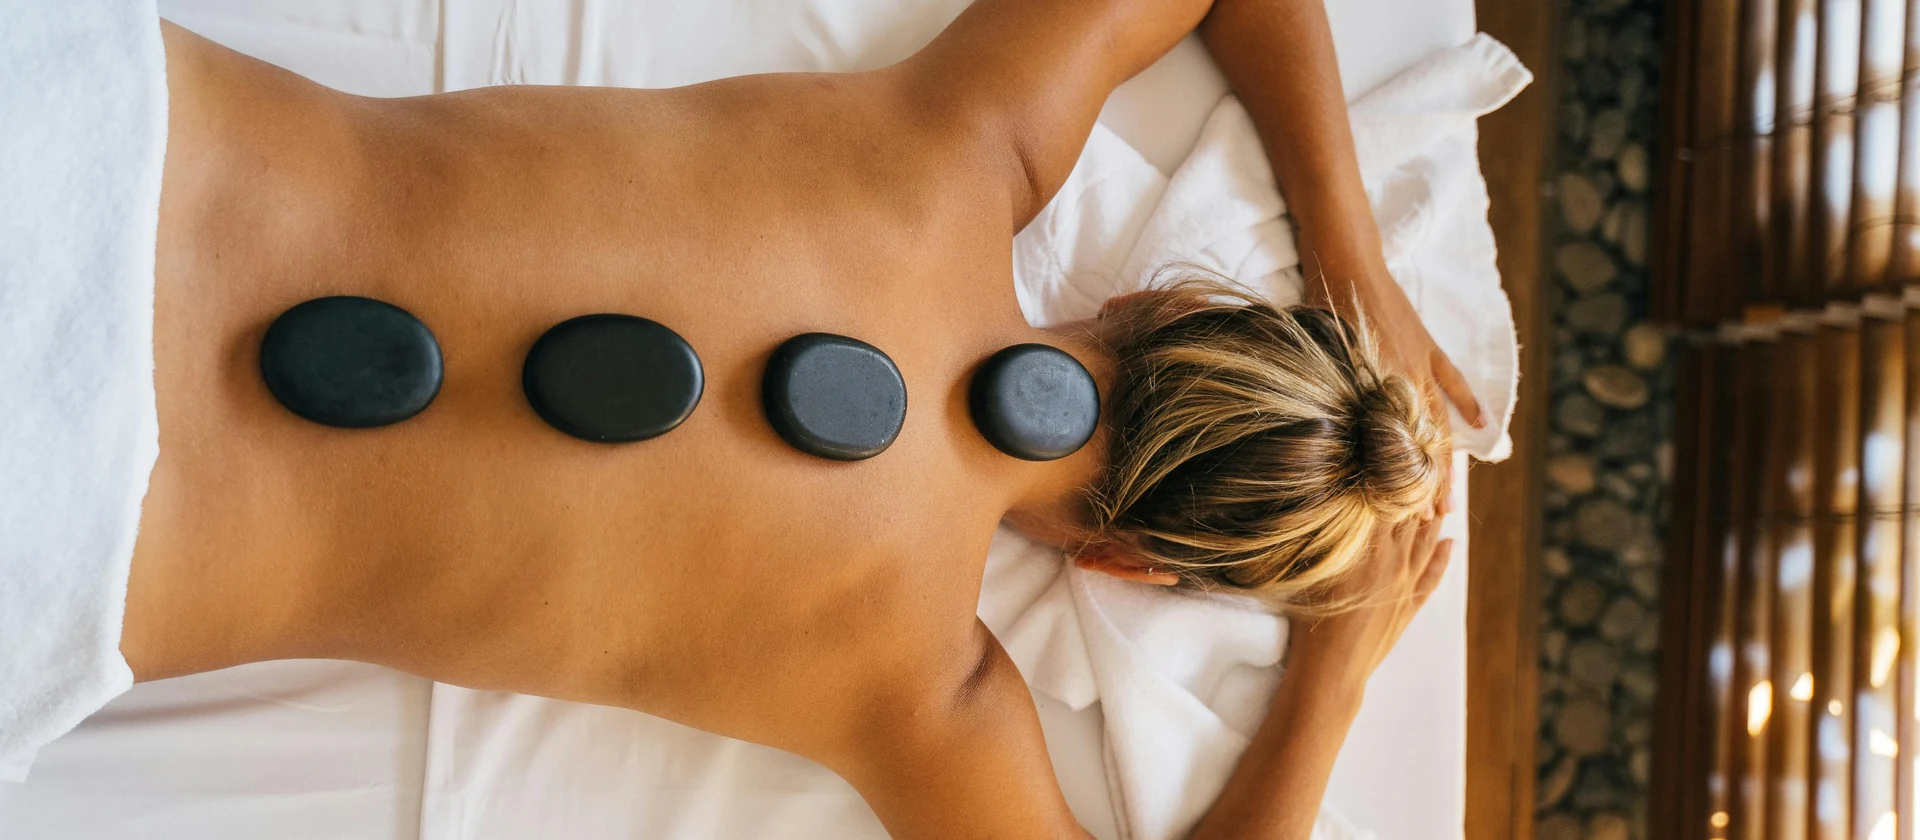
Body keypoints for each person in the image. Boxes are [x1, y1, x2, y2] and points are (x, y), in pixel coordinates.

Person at [83, 0, 1473, 836]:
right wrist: (1329, 684)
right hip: (73, 540)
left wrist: (1351, 251)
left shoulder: (953, 146)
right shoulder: (919, 701)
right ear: (1128, 563)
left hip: (99, 143)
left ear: (1160, 305)